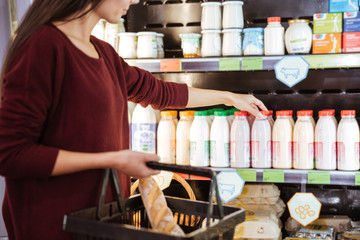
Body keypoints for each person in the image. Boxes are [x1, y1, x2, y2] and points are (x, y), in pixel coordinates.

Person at [0, 0, 267, 239]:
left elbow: (158, 91)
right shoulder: (43, 46)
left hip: (102, 221)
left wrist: (231, 97)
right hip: (52, 224)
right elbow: (10, 154)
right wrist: (113, 159)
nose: (136, 0)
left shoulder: (103, 53)